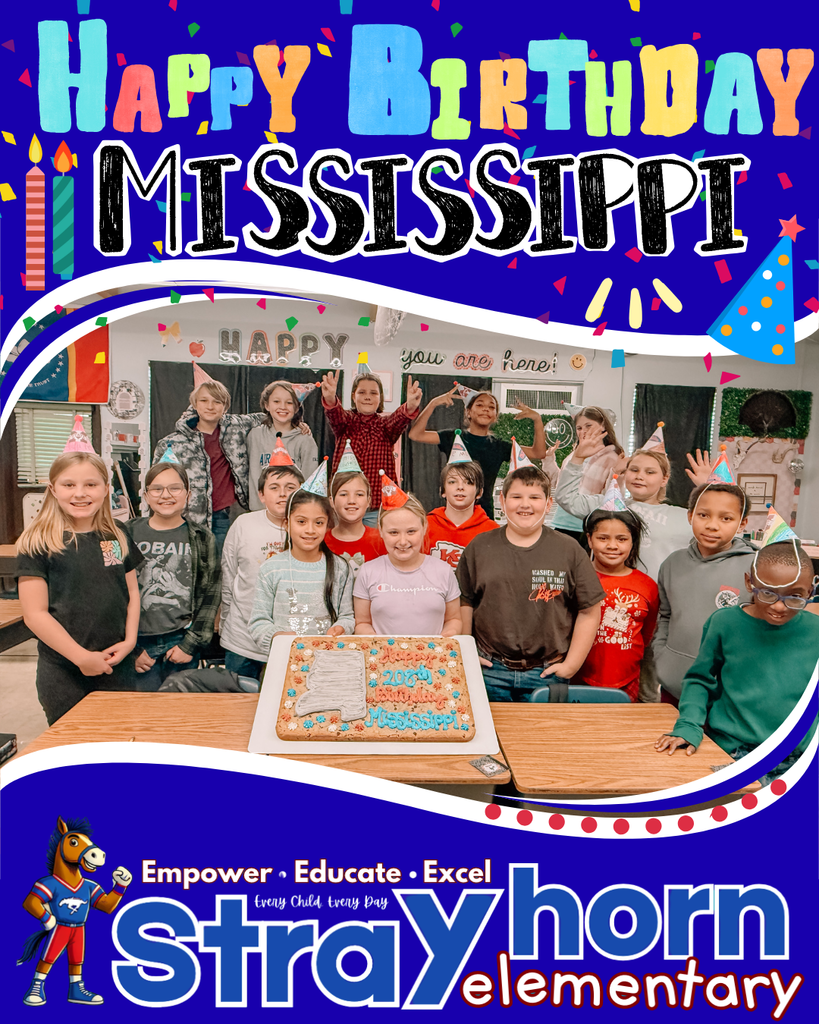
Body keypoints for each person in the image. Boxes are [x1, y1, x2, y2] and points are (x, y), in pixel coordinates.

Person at [655, 541, 819, 784]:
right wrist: (689, 725)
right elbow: (700, 680)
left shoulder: (815, 631)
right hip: (734, 752)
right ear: (749, 582)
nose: (778, 606)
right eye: (767, 593)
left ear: (811, 590)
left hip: (798, 757)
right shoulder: (724, 623)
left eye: (794, 596)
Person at [456, 465, 605, 701]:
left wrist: (572, 665)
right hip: (488, 670)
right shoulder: (479, 547)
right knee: (492, 736)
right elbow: (465, 603)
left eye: (534, 497)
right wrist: (466, 651)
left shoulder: (569, 550)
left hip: (548, 672)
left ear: (548, 504)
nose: (525, 505)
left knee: (543, 737)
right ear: (503, 501)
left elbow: (589, 610)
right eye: (516, 497)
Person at [15, 451, 143, 725]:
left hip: (116, 664)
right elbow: (35, 614)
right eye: (69, 484)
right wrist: (82, 658)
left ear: (106, 489)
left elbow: (131, 593)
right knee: (72, 747)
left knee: (116, 742)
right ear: (52, 489)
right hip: (64, 670)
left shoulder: (117, 534)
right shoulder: (37, 542)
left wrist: (130, 641)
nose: (80, 493)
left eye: (91, 484)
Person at [124, 460, 221, 690]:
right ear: (146, 495)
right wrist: (131, 650)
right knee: (140, 715)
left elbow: (211, 593)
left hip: (180, 641)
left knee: (180, 712)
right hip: (138, 642)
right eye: (157, 489)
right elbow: (112, 594)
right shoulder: (127, 532)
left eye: (174, 488)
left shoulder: (201, 537)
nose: (165, 495)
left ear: (187, 494)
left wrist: (191, 644)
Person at [654, 482, 754, 704]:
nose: (712, 525)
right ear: (690, 516)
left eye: (726, 518)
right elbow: (666, 614)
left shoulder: (754, 568)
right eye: (703, 515)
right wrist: (662, 656)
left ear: (742, 523)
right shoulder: (672, 563)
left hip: (727, 692)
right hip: (673, 685)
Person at [554, 425, 691, 579]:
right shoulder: (607, 506)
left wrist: (712, 488)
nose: (639, 476)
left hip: (656, 598)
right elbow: (566, 497)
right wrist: (577, 459)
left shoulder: (683, 518)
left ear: (664, 479)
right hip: (609, 594)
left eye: (650, 472)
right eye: (634, 470)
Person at [153, 374, 266, 553]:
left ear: (225, 407)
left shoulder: (235, 428)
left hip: (223, 515)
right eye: (204, 400)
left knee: (219, 569)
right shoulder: (172, 443)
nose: (210, 406)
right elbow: (155, 486)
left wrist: (298, 424)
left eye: (217, 402)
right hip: (187, 517)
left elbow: (268, 417)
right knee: (187, 569)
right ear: (195, 404)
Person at [409, 384, 548, 521]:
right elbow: (416, 435)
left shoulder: (499, 446)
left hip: (484, 514)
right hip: (454, 510)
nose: (486, 409)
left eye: (491, 407)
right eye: (480, 405)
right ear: (468, 412)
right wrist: (433, 403)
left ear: (495, 416)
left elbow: (538, 453)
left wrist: (537, 420)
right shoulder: (453, 437)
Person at [220, 463, 304, 680]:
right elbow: (228, 575)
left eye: (290, 487)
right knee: (236, 708)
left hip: (291, 642)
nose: (283, 494)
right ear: (261, 494)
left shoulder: (311, 528)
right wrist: (225, 621)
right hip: (241, 640)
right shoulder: (243, 524)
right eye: (274, 487)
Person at [354, 474, 461, 636]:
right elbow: (362, 622)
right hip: (384, 657)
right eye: (393, 532)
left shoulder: (443, 571)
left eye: (411, 531)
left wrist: (445, 638)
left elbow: (454, 619)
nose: (403, 541)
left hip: (431, 658)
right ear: (381, 531)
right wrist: (381, 646)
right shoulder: (367, 572)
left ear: (424, 527)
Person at [248, 490, 355, 653]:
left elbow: (347, 616)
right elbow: (258, 622)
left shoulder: (340, 568)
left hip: (327, 658)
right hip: (284, 659)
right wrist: (278, 637)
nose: (310, 530)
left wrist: (341, 628)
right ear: (286, 524)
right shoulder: (271, 569)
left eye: (318, 523)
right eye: (301, 521)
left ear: (327, 525)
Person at [574, 509, 658, 702]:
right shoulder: (576, 578)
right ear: (589, 539)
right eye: (603, 538)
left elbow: (647, 636)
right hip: (577, 678)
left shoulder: (647, 586)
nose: (612, 546)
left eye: (621, 539)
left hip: (627, 680)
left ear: (632, 541)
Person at [320, 369, 422, 524]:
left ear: (380, 398)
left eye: (373, 393)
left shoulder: (385, 426)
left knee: (377, 547)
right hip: (344, 508)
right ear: (354, 396)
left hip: (377, 509)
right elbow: (335, 414)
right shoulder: (345, 423)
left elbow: (399, 419)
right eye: (362, 392)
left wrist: (410, 406)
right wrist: (330, 398)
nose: (367, 396)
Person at [544, 406, 625, 551]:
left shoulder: (612, 458)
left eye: (589, 426)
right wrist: (549, 460)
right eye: (579, 428)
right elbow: (559, 484)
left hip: (586, 528)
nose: (583, 431)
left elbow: (612, 500)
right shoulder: (574, 455)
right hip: (561, 523)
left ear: (603, 426)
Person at [247, 381, 318, 509]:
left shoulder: (305, 440)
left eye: (289, 403)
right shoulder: (255, 435)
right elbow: (253, 476)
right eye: (276, 401)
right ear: (266, 405)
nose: (283, 406)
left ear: (296, 408)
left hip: (293, 512)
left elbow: (309, 482)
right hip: (260, 511)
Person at [424, 459, 498, 571]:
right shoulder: (423, 525)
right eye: (452, 482)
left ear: (479, 492)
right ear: (442, 491)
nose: (460, 487)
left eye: (468, 482)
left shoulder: (493, 531)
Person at [326, 470, 386, 575]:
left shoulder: (382, 541)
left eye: (359, 494)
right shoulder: (321, 541)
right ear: (332, 501)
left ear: (368, 500)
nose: (351, 500)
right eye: (344, 494)